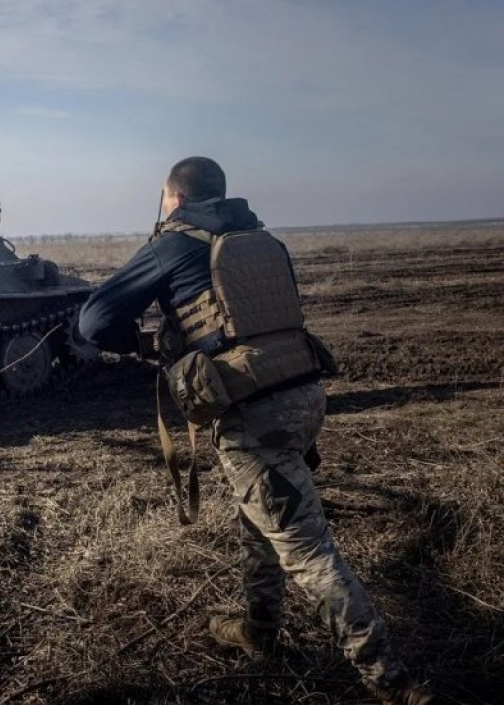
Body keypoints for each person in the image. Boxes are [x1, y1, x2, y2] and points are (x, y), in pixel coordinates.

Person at [76, 157, 434, 705]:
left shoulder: (174, 242)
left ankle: (391, 680)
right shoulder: (259, 236)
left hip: (254, 414)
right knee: (258, 518)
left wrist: (151, 345)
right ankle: (259, 630)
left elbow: (94, 320)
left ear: (172, 197)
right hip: (304, 393)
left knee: (308, 550)